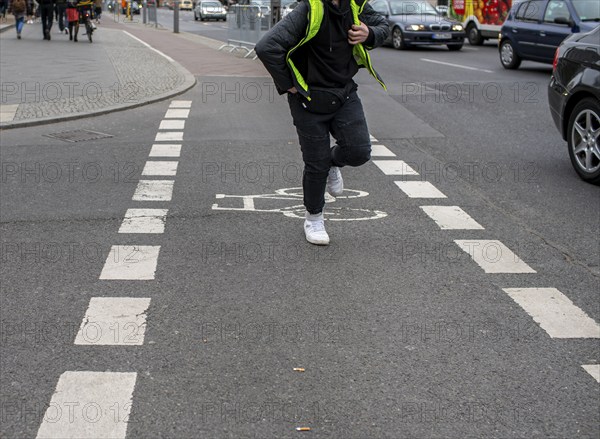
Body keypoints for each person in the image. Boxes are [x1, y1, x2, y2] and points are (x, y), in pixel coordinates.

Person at [255, 0, 388, 245]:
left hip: (344, 93)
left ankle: (333, 163)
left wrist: (371, 33)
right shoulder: (308, 9)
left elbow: (383, 26)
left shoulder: (356, 6)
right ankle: (314, 218)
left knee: (359, 151)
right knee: (316, 164)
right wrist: (289, 84)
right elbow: (266, 47)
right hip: (308, 98)